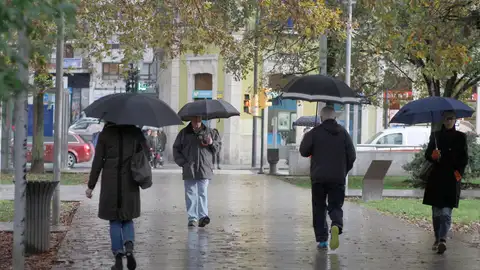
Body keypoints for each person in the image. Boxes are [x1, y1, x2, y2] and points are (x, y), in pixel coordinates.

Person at [86, 122, 151, 270]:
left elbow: (97, 162)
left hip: (111, 183)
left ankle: (118, 255)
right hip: (130, 181)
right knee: (128, 218)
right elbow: (147, 154)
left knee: (114, 220)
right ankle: (129, 247)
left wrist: (91, 186)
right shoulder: (135, 133)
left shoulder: (106, 134)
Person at [299, 106, 356, 250]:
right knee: (335, 205)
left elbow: (304, 152)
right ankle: (336, 225)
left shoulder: (315, 132)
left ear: (321, 117)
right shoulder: (343, 133)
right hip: (337, 177)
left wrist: (308, 135)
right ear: (335, 117)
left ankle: (322, 239)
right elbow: (352, 155)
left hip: (318, 178)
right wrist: (343, 171)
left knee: (319, 207)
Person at [423, 110, 468, 254]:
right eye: (447, 119)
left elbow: (464, 158)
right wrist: (433, 156)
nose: (449, 121)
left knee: (446, 213)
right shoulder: (435, 136)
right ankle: (437, 238)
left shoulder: (461, 137)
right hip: (436, 178)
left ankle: (443, 239)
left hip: (451, 178)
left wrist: (458, 173)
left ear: (455, 120)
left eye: (452, 118)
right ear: (443, 120)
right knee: (436, 213)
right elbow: (428, 155)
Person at [173, 116, 220, 227]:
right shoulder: (184, 133)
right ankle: (192, 218)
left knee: (202, 192)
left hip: (204, 168)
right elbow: (176, 149)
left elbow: (217, 150)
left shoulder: (210, 132)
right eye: (195, 120)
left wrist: (211, 142)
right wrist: (183, 163)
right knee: (191, 193)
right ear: (191, 120)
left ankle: (203, 216)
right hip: (189, 168)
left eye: (199, 120)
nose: (197, 122)